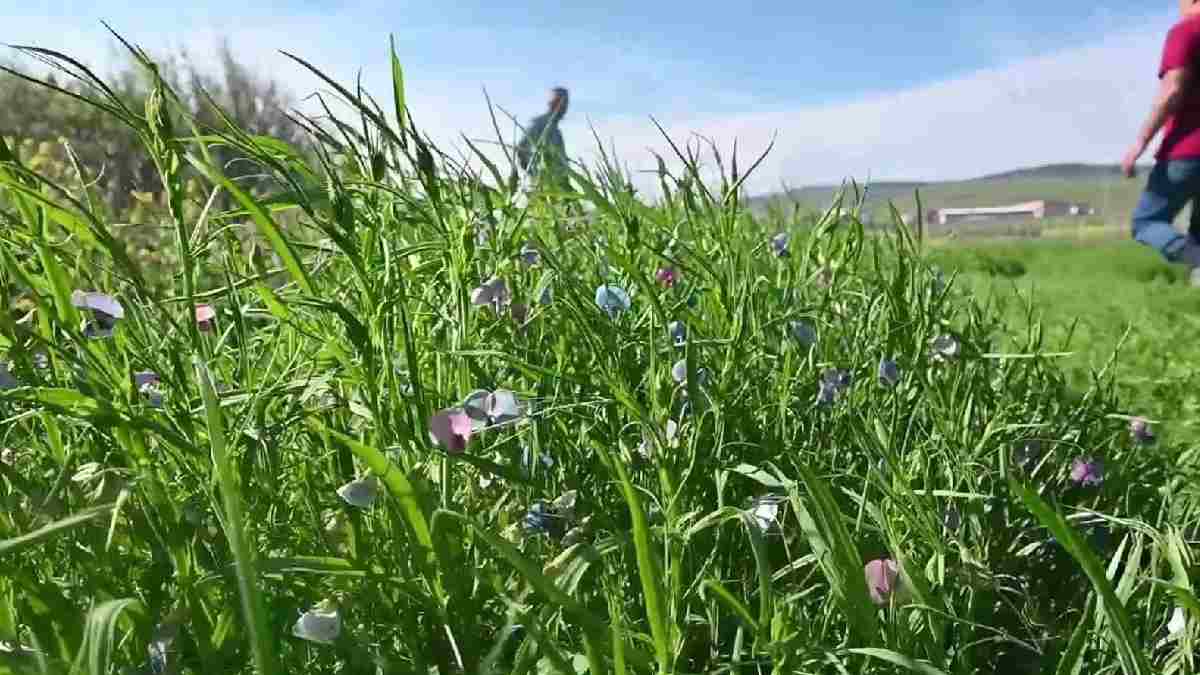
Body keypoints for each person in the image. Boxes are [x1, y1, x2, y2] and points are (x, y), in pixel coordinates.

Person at [1125, 0, 1200, 283]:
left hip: (1186, 150)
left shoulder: (1187, 31)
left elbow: (1172, 89)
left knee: (1145, 222)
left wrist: (1140, 143)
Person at [515, 87, 570, 188]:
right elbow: (521, 148)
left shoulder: (556, 131)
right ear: (552, 103)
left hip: (558, 186)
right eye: (561, 102)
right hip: (543, 185)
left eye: (566, 103)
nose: (564, 107)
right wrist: (534, 174)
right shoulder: (540, 124)